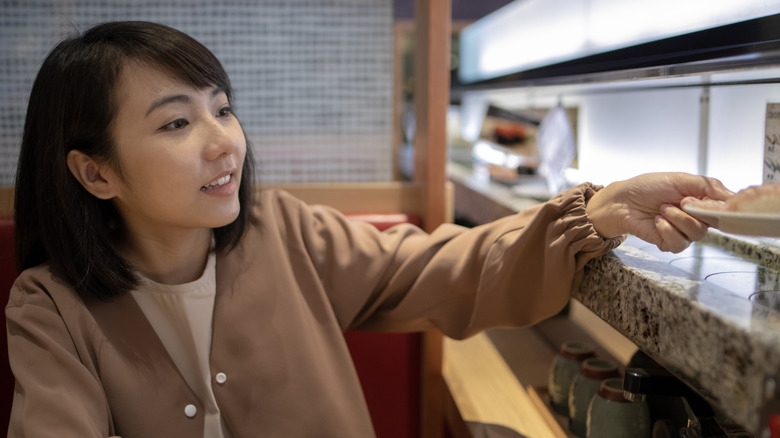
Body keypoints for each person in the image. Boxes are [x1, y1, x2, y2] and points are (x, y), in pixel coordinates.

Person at [8, 21, 732, 438]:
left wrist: (593, 214)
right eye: (175, 122)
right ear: (95, 173)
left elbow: (439, 267)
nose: (225, 140)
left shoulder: (285, 233)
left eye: (221, 109)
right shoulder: (50, 308)